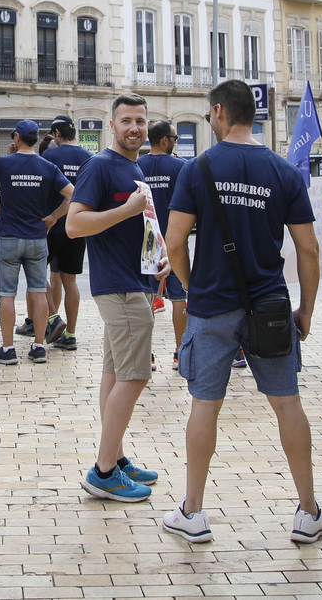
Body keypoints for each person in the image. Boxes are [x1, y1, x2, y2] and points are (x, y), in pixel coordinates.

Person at [161, 80, 322, 545]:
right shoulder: (283, 171)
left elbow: (174, 242)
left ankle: (193, 511)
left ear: (219, 111)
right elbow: (308, 249)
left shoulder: (197, 169)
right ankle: (308, 511)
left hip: (211, 306)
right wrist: (307, 309)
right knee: (287, 403)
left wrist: (193, 285)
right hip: (269, 306)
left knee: (204, 406)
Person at [66, 94, 164, 503]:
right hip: (118, 287)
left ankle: (116, 458)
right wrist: (128, 210)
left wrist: (159, 258)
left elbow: (137, 227)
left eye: (140, 121)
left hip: (134, 281)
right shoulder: (100, 166)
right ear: (112, 125)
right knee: (135, 375)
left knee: (114, 373)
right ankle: (103, 471)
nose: (134, 128)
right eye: (126, 121)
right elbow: (74, 225)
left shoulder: (133, 167)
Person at [0, 121, 71, 364]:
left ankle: (8, 349)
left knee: (7, 294)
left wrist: (8, 158)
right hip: (37, 237)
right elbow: (72, 193)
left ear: (16, 138)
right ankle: (38, 347)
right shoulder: (47, 166)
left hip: (9, 237)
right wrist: (54, 217)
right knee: (38, 292)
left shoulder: (4, 163)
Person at [138, 120, 188, 368]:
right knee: (179, 298)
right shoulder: (181, 167)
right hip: (175, 240)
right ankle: (181, 353)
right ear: (165, 140)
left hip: (146, 242)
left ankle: (146, 355)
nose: (175, 142)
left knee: (146, 298)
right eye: (175, 138)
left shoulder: (137, 165)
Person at [39, 116, 91, 350]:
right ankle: (70, 334)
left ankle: (53, 318)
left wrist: (52, 216)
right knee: (70, 281)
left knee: (37, 273)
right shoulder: (89, 157)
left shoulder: (50, 156)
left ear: (57, 134)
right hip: (77, 227)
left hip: (51, 225)